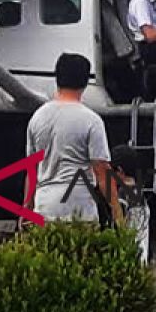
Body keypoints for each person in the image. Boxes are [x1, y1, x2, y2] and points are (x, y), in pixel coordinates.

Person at [25, 53, 119, 224]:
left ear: (57, 78)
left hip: (45, 205)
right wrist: (117, 212)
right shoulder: (92, 120)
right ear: (85, 82)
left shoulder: (37, 118)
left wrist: (26, 209)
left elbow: (31, 170)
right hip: (79, 206)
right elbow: (101, 171)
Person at [110, 144, 151, 264]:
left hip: (127, 257)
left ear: (120, 171)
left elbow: (118, 225)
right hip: (141, 254)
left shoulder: (123, 194)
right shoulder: (139, 192)